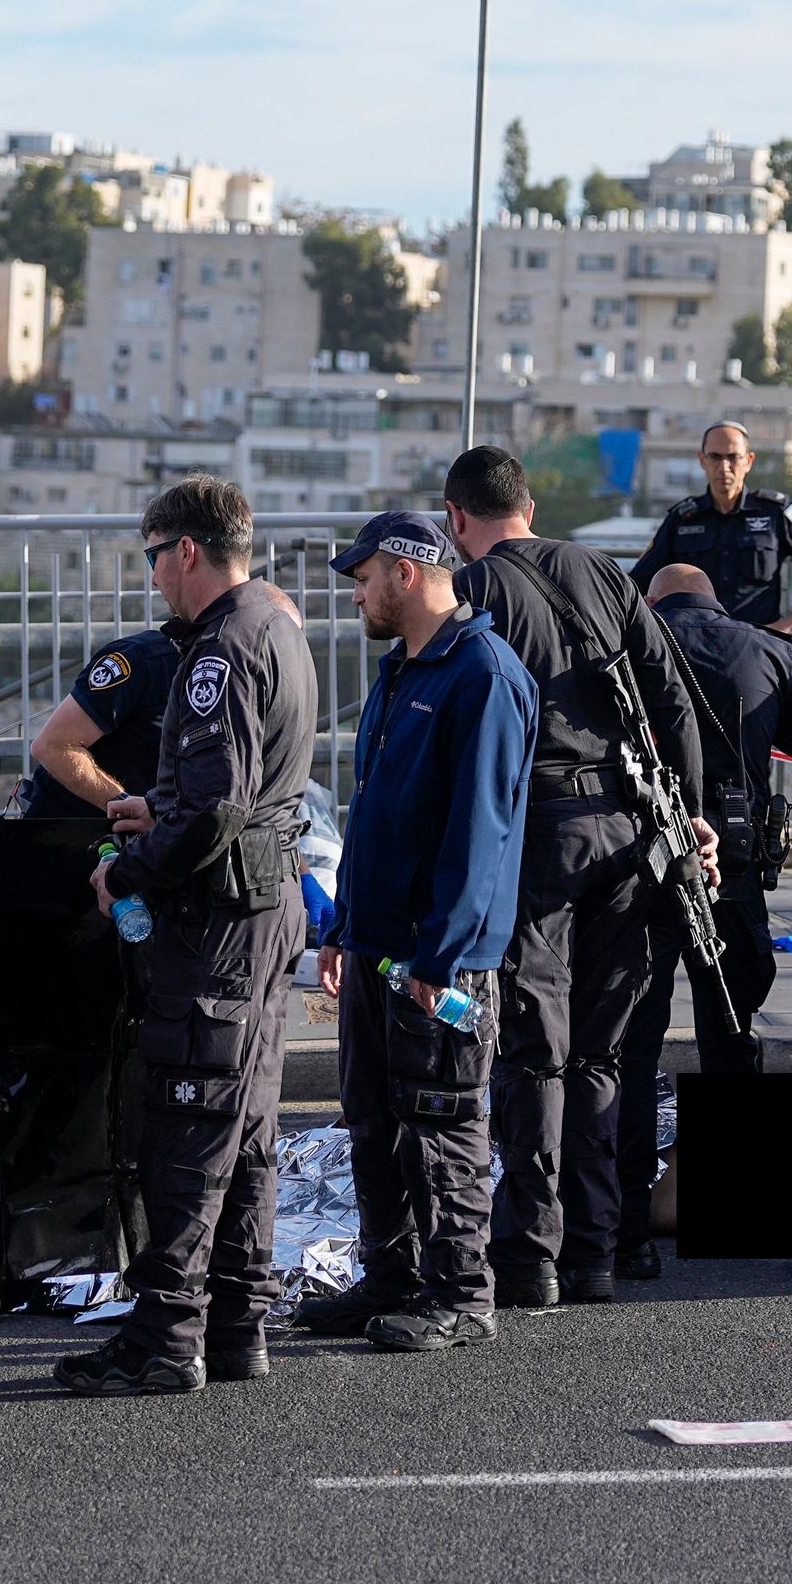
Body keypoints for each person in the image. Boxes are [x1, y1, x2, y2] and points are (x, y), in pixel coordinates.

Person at [442, 443, 723, 1311]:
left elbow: (471, 727)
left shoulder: (480, 588)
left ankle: (532, 1257)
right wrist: (693, 811)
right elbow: (672, 698)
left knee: (533, 1053)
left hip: (540, 836)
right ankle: (597, 1251)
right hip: (634, 835)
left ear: (457, 519)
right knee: (602, 1053)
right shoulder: (602, 570)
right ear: (526, 504)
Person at [56, 477, 318, 1398]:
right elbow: (234, 794)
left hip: (218, 921)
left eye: (153, 555)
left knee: (186, 1122)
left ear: (189, 551)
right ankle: (238, 1322)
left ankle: (166, 1333)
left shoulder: (218, 649)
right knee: (245, 1129)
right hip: (266, 905)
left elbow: (214, 809)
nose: (155, 577)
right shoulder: (276, 624)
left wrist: (129, 867)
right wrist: (151, 807)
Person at [290, 513, 530, 1355]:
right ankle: (390, 1274)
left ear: (406, 571)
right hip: (375, 947)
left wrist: (444, 955)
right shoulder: (402, 670)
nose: (355, 594)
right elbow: (377, 814)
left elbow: (481, 833)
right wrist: (347, 924)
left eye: (362, 578)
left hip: (439, 959)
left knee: (444, 1117)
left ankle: (461, 1291)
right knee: (374, 1118)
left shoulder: (481, 675)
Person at [615, 561, 792, 1270]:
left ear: (654, 599)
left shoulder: (627, 641)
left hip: (642, 864)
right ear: (715, 598)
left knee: (632, 1045)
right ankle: (740, 1212)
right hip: (734, 870)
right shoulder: (766, 647)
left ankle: (624, 1228)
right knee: (733, 1033)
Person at [627, 422, 792, 637]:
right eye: (715, 457)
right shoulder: (683, 519)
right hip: (697, 644)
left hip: (759, 642)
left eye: (732, 457)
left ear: (748, 461)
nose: (724, 467)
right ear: (702, 460)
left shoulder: (776, 513)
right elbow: (639, 581)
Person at [24, 615, 187, 827]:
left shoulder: (232, 668)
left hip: (157, 839)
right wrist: (126, 808)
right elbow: (53, 746)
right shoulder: (143, 660)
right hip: (71, 839)